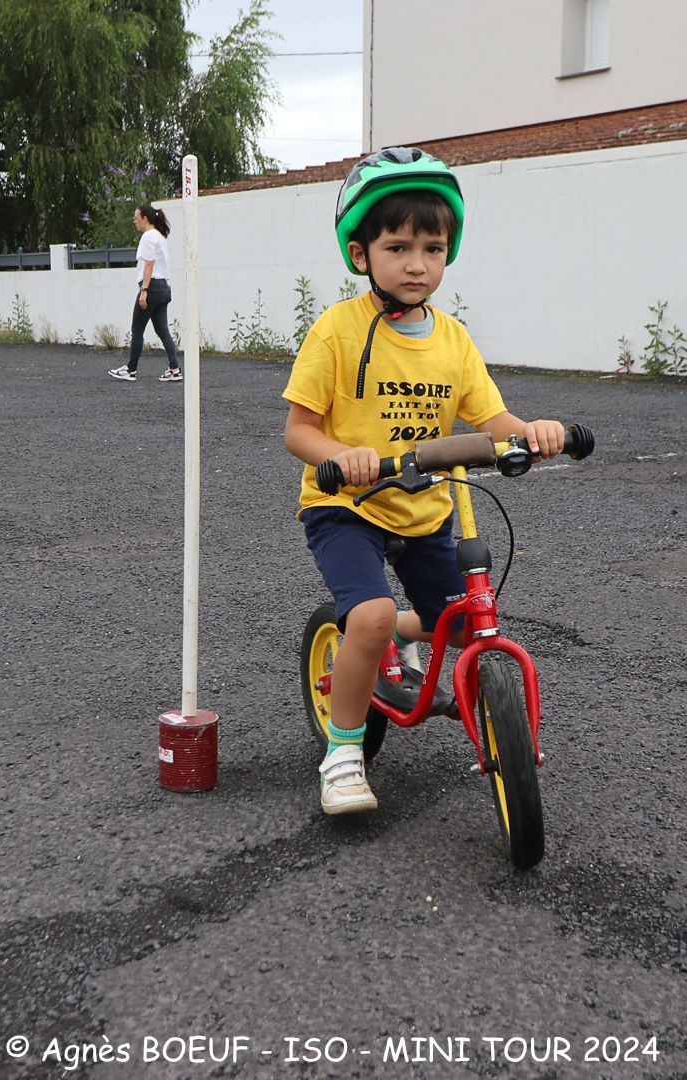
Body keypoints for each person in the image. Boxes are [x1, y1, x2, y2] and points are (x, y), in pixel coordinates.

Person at [282, 146, 565, 816]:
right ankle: (343, 753)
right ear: (361, 255)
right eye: (398, 247)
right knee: (371, 615)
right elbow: (298, 429)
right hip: (347, 504)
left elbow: (492, 420)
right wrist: (343, 454)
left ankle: (408, 634)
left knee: (462, 628)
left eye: (432, 248)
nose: (417, 264)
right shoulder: (337, 331)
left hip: (428, 507)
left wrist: (533, 432)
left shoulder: (453, 340)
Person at [108, 205, 182, 382]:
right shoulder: (160, 237)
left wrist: (144, 291)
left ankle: (131, 370)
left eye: (136, 218)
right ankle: (174, 369)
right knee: (163, 330)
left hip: (152, 287)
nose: (134, 221)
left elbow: (149, 263)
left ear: (145, 219)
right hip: (164, 288)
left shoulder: (148, 237)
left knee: (137, 329)